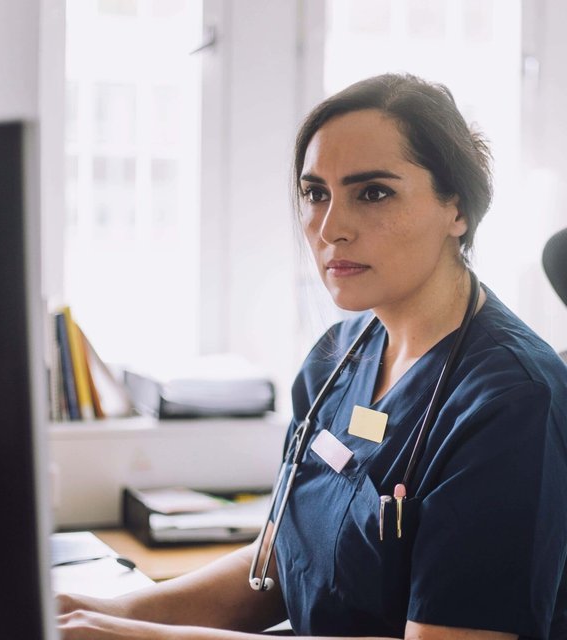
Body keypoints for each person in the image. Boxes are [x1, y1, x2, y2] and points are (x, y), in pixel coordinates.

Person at [56, 73, 567, 639]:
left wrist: (141, 638)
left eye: (373, 192)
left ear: (458, 210)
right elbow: (279, 564)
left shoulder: (514, 400)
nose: (329, 228)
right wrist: (104, 613)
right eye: (315, 193)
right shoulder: (337, 357)